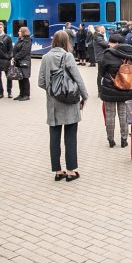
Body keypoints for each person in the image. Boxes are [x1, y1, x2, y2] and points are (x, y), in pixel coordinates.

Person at [38, 30, 89, 181]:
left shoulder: (46, 57)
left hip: (53, 104)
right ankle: (71, 171)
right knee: (70, 136)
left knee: (54, 138)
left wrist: (53, 90)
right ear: (66, 41)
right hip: (69, 101)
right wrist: (85, 96)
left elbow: (41, 82)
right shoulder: (68, 56)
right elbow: (78, 78)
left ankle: (58, 171)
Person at [97, 33, 132, 148]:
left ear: (117, 43)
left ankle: (111, 140)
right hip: (126, 89)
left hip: (109, 89)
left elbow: (102, 73)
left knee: (110, 115)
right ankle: (124, 140)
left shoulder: (108, 54)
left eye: (112, 42)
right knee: (123, 115)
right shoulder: (130, 54)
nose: (109, 44)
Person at [12, 26, 33, 101]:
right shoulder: (20, 40)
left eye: (20, 31)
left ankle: (26, 95)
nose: (18, 32)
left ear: (24, 32)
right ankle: (21, 94)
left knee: (25, 78)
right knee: (20, 77)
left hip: (24, 62)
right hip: (18, 61)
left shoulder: (27, 41)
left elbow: (24, 52)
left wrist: (15, 57)